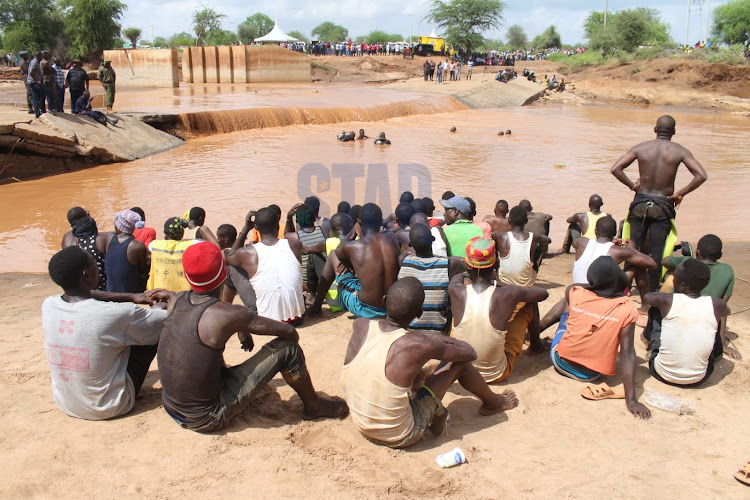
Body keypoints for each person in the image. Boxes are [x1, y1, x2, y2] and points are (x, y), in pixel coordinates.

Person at [158, 242, 348, 433]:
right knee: (289, 349)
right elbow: (289, 332)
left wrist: (240, 325)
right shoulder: (226, 314)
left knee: (205, 348)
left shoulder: (176, 300)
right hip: (206, 417)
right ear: (224, 274)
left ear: (187, 276)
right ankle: (313, 406)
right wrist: (242, 323)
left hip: (172, 406)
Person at [340, 277, 519, 448]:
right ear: (419, 313)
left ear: (385, 300)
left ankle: (417, 386)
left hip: (362, 422)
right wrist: (435, 340)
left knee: (412, 372)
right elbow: (469, 354)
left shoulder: (361, 325)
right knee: (458, 364)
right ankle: (494, 402)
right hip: (399, 434)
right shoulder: (420, 344)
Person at [42, 246, 169, 420]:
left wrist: (132, 296)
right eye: (95, 264)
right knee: (152, 327)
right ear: (86, 275)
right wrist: (161, 305)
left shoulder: (49, 304)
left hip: (66, 403)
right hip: (109, 406)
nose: (99, 267)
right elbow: (162, 319)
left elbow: (88, 294)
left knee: (119, 334)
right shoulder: (112, 314)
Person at [538, 256, 651, 419]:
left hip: (560, 362)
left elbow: (573, 286)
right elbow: (627, 353)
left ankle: (538, 332)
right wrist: (631, 400)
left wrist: (595, 285)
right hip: (591, 374)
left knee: (566, 309)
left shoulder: (576, 293)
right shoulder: (627, 307)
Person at [611, 115, 708, 292]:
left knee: (632, 249)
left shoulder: (641, 148)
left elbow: (615, 168)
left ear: (655, 130)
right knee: (656, 253)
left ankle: (624, 289)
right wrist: (680, 193)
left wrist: (633, 186)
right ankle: (652, 290)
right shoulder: (680, 151)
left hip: (640, 203)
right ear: (674, 132)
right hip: (663, 206)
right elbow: (701, 175)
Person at [450, 237, 549, 382]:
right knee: (529, 303)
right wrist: (498, 283)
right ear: (496, 262)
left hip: (460, 369)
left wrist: (469, 274)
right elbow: (543, 294)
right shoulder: (508, 294)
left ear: (467, 265)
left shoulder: (455, 289)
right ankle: (536, 345)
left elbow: (458, 276)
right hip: (495, 374)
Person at [642, 259, 728, 387]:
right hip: (700, 378)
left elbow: (647, 297)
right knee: (714, 319)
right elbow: (726, 311)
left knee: (656, 309)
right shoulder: (716, 304)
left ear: (682, 285)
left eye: (674, 277)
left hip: (661, 373)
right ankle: (717, 354)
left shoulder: (666, 300)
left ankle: (648, 340)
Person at [307, 203, 399, 319]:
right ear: (381, 221)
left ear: (359, 223)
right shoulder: (392, 238)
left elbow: (338, 249)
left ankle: (316, 307)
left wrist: (353, 231)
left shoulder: (354, 247)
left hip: (364, 308)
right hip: (389, 306)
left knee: (332, 256)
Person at [661, 234, 738, 360]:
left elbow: (664, 260)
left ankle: (648, 338)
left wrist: (681, 261)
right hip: (706, 323)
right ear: (720, 254)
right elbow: (722, 311)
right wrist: (722, 344)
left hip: (680, 321)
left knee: (671, 278)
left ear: (697, 252)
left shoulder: (686, 262)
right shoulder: (728, 270)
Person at [228, 208, 306, 324]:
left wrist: (245, 229)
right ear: (278, 225)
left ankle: (225, 309)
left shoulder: (248, 253)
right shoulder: (295, 245)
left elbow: (230, 257)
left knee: (231, 268)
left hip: (268, 321)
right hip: (297, 318)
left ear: (256, 228)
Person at [493, 206, 552, 353]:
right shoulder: (533, 237)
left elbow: (491, 236)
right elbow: (548, 240)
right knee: (533, 305)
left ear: (509, 220)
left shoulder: (500, 236)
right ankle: (535, 343)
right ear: (526, 221)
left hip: (503, 287)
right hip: (525, 289)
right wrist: (539, 239)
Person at [397, 223, 463, 335]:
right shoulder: (448, 264)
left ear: (411, 245)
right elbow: (465, 263)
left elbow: (408, 254)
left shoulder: (403, 261)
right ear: (432, 240)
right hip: (439, 332)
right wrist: (442, 257)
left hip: (410, 332)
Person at [147, 217, 199, 292]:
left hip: (158, 291)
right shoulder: (190, 245)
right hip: (183, 294)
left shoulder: (154, 245)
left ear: (165, 232)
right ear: (182, 233)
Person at [285, 204, 326, 296]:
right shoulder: (324, 230)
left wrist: (288, 218)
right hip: (324, 280)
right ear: (314, 219)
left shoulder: (293, 237)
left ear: (297, 221)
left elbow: (287, 234)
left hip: (305, 284)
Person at [104, 210, 148, 293]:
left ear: (118, 226)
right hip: (131, 293)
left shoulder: (109, 238)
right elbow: (143, 271)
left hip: (111, 291)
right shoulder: (137, 246)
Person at [26, 51, 45, 117]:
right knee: (36, 97)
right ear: (39, 56)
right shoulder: (34, 62)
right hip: (33, 82)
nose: (42, 58)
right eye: (41, 56)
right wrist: (37, 81)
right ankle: (37, 113)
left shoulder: (37, 62)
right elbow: (31, 72)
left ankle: (39, 111)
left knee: (38, 96)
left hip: (34, 82)